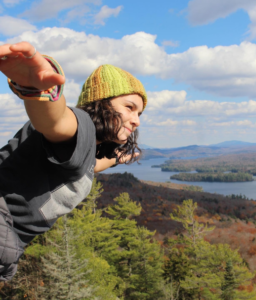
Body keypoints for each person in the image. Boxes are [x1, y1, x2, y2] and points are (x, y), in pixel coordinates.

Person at [0, 41, 147, 281]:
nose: (136, 120)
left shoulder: (84, 151)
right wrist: (38, 89)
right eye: (129, 107)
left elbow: (90, 166)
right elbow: (55, 121)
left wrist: (115, 160)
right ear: (102, 103)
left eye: (139, 113)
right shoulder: (82, 126)